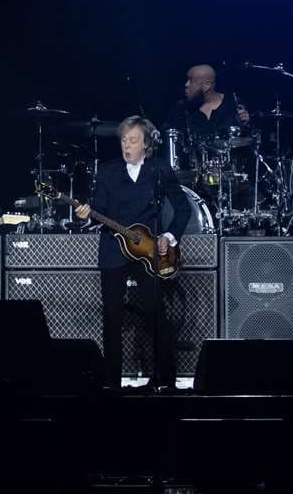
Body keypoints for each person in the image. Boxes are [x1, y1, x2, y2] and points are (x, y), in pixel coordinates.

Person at [75, 116, 191, 389]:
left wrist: (169, 237)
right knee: (112, 316)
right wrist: (86, 217)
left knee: (155, 314)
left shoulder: (159, 170)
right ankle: (112, 382)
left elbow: (183, 209)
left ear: (147, 144)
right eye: (123, 140)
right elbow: (97, 212)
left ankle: (165, 381)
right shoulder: (107, 171)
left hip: (149, 250)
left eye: (133, 140)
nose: (126, 146)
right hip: (113, 249)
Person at [163, 64, 251, 151]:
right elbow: (167, 138)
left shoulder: (233, 104)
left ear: (207, 85)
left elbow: (247, 141)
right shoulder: (181, 109)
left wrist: (246, 124)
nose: (186, 84)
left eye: (191, 81)